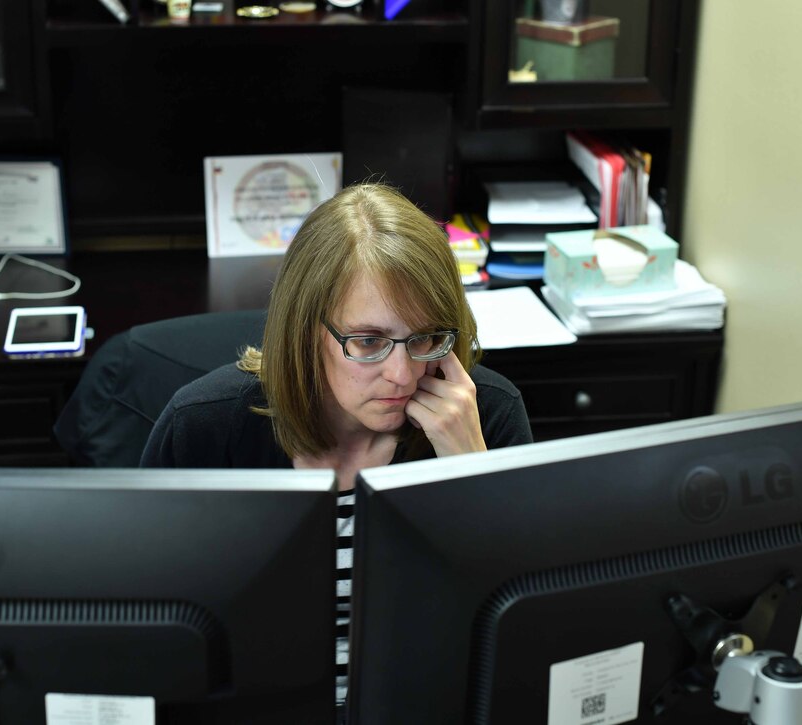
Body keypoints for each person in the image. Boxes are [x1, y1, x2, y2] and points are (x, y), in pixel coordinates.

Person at [140, 182, 533, 708]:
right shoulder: (205, 427)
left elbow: (518, 638)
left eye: (424, 338)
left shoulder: (486, 416)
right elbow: (151, 633)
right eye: (368, 342)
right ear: (305, 331)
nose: (403, 374)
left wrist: (470, 474)